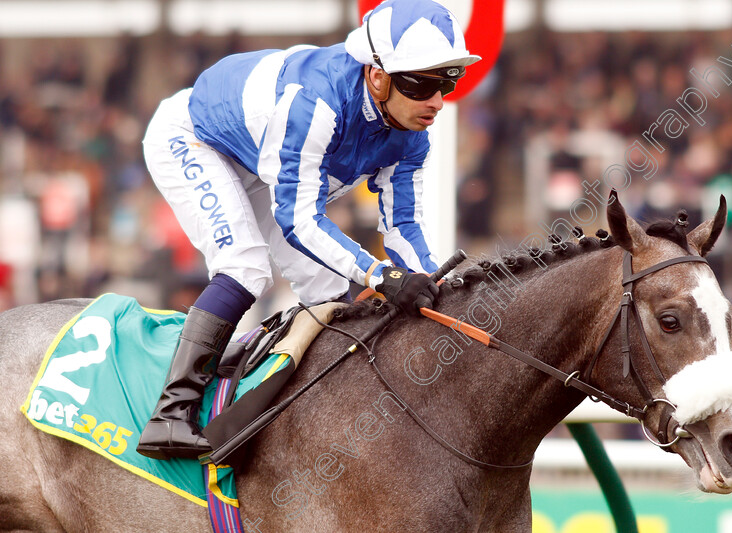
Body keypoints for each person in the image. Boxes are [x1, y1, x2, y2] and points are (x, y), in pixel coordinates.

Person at [136, 0, 481, 460]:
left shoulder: (414, 133)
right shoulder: (317, 102)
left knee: (331, 292)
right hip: (196, 139)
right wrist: (381, 276)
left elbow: (402, 226)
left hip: (264, 165)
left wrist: (442, 292)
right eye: (423, 84)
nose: (437, 101)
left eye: (448, 81)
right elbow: (297, 220)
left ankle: (281, 406)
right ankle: (171, 413)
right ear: (376, 76)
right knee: (246, 268)